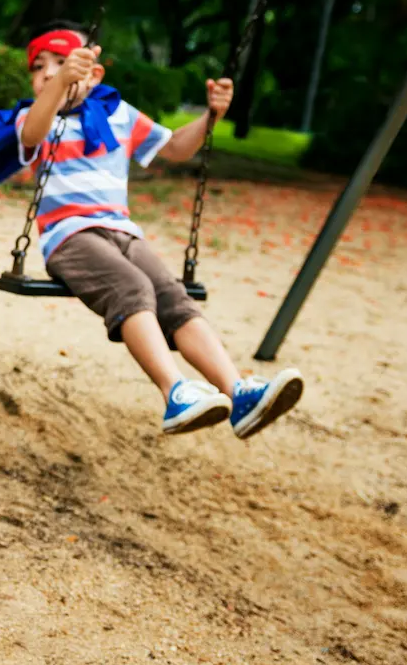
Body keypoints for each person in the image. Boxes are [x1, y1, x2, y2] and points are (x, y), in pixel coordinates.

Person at [17, 23, 304, 437]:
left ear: (95, 74)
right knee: (131, 286)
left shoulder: (117, 114)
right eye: (40, 66)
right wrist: (60, 83)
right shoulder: (35, 115)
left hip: (122, 231)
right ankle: (175, 393)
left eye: (63, 62)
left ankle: (239, 393)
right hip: (69, 237)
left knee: (173, 297)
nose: (49, 72)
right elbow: (31, 134)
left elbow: (175, 149)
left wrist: (211, 116)